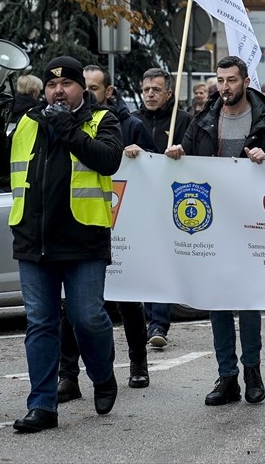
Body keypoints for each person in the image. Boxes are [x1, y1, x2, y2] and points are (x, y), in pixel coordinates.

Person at [0, 56, 123, 433]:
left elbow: (109, 161)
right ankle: (42, 405)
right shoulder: (30, 121)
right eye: (51, 85)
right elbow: (0, 166)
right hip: (33, 239)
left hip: (83, 239)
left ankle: (102, 375)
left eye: (66, 85)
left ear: (81, 89)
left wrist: (69, 131)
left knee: (87, 317)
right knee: (40, 324)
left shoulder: (102, 120)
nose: (58, 91)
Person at [165, 55, 265, 406]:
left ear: (246, 80)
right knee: (218, 300)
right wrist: (176, 153)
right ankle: (227, 376)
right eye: (220, 80)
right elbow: (186, 160)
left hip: (252, 222)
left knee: (247, 300)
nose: (224, 87)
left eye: (231, 80)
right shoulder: (203, 119)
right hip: (211, 222)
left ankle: (252, 369)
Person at [52, 65, 153, 404]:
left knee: (127, 297)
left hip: (127, 219)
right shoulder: (63, 119)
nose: (90, 92)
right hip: (87, 220)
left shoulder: (129, 124)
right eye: (87, 86)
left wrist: (141, 154)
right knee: (74, 308)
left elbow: (157, 170)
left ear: (107, 91)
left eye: (95, 87)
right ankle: (69, 375)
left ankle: (138, 361)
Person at [130, 67, 189, 348]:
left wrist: (180, 152)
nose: (150, 94)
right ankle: (143, 318)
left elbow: (195, 155)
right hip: (140, 200)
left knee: (162, 260)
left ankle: (159, 323)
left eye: (156, 89)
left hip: (171, 199)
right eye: (146, 90)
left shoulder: (184, 120)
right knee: (142, 261)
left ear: (169, 92)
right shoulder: (132, 121)